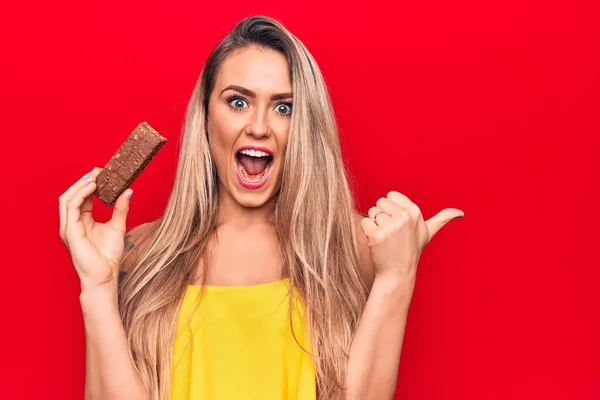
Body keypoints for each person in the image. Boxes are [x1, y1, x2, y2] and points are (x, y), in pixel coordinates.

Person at [58, 15, 464, 400]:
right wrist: (97, 289)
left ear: (305, 124)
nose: (258, 126)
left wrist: (397, 276)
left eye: (284, 107)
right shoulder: (140, 254)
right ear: (204, 117)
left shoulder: (354, 246)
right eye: (238, 102)